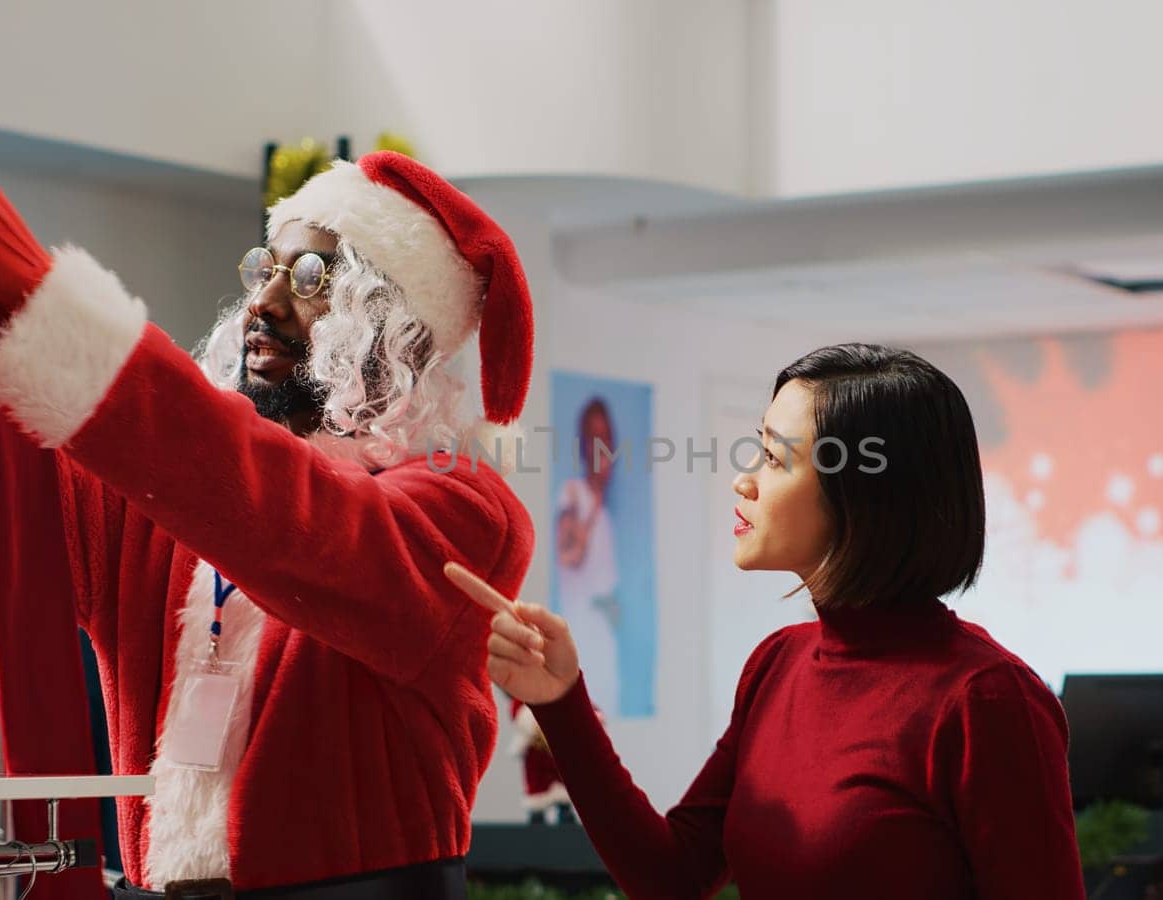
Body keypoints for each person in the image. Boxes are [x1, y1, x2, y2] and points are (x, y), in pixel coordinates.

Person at [0, 151, 537, 898]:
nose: (265, 303)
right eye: (265, 270)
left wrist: (55, 306)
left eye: (314, 280)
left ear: (398, 330)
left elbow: (290, 521)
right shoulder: (170, 504)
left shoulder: (468, 512)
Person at [447, 344, 1085, 899]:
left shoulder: (986, 701)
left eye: (776, 459)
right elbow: (671, 876)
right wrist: (561, 701)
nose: (742, 483)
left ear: (866, 496)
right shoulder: (777, 664)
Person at [554, 397, 621, 714]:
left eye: (606, 438)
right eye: (594, 438)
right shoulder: (572, 493)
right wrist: (595, 498)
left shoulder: (605, 511)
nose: (601, 447)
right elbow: (570, 556)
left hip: (604, 633)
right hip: (580, 630)